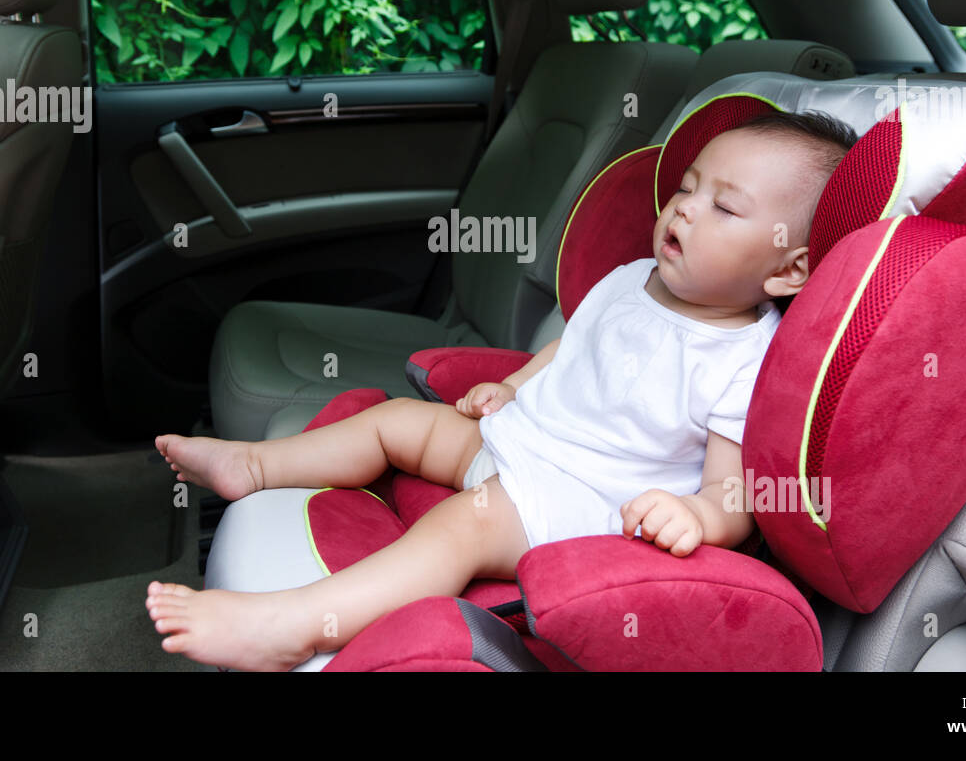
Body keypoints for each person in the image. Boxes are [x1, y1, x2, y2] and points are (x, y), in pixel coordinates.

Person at [146, 108, 858, 671]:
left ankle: (293, 626)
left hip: (577, 501)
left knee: (461, 529)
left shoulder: (745, 359)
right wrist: (512, 385)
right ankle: (254, 466)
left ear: (786, 270)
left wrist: (696, 516)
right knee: (397, 419)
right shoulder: (629, 280)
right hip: (520, 442)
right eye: (686, 188)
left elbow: (733, 491)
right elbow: (566, 350)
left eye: (724, 208)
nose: (685, 210)